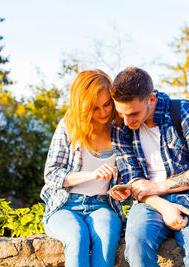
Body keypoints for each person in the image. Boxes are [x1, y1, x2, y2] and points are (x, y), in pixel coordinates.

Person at [109, 67, 189, 267]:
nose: (127, 121)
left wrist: (159, 187)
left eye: (133, 113)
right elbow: (133, 179)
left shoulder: (185, 112)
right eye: (121, 113)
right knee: (135, 247)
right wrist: (164, 206)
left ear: (151, 99)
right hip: (149, 203)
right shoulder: (120, 126)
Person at [40, 69, 123, 267]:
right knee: (77, 237)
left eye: (106, 104)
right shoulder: (69, 126)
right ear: (83, 106)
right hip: (65, 205)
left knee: (107, 237)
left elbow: (131, 172)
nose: (103, 112)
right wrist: (90, 175)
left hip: (102, 205)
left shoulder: (120, 129)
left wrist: (123, 188)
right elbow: (51, 174)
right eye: (95, 108)